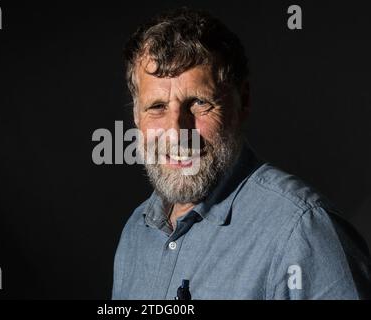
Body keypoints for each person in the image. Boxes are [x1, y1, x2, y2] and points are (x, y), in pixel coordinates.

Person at [112, 7, 371, 299]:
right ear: (136, 116)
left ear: (242, 102)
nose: (176, 132)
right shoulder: (136, 233)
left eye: (199, 102)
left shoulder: (302, 230)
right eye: (157, 107)